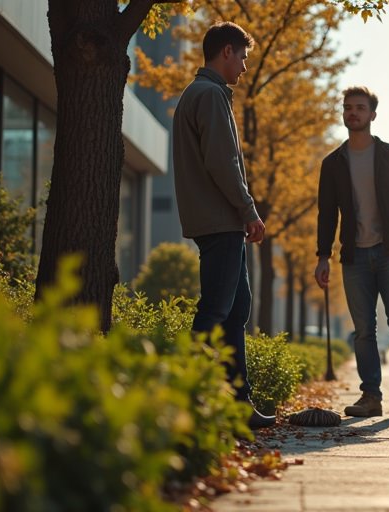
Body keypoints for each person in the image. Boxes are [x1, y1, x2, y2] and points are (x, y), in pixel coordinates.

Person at [171, 22, 274, 430]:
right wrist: (248, 210)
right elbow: (222, 162)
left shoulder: (201, 94)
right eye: (244, 57)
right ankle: (186, 401)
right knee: (215, 310)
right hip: (221, 221)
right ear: (226, 51)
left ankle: (236, 403)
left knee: (235, 310)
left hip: (217, 220)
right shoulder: (210, 95)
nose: (245, 67)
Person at [314, 86, 389, 417]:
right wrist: (322, 256)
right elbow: (327, 213)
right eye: (348, 108)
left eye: (360, 108)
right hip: (354, 257)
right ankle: (371, 397)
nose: (353, 113)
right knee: (363, 330)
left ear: (373, 114)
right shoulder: (332, 163)